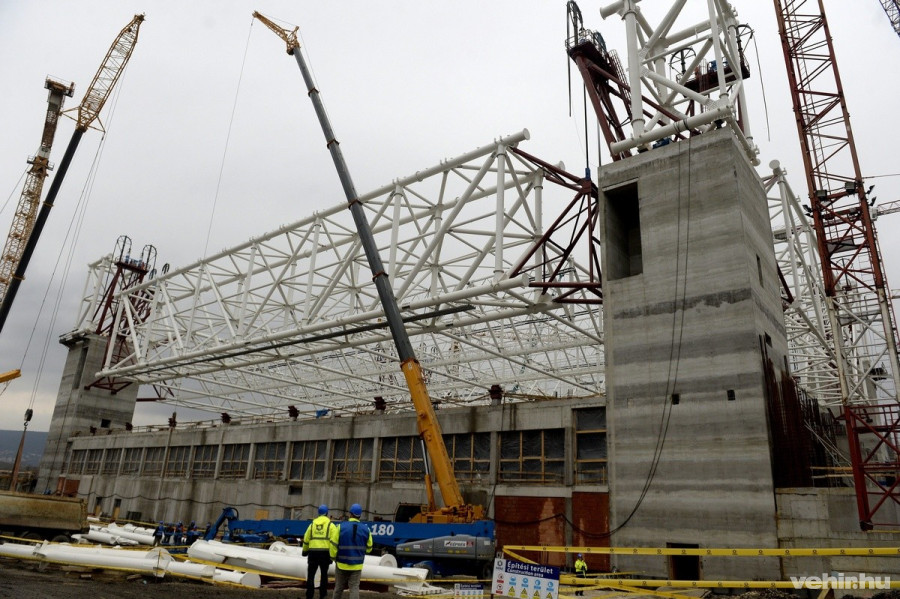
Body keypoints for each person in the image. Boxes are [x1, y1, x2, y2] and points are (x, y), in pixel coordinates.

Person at [329, 503, 372, 599]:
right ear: (360, 515)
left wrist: (333, 557)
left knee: (338, 587)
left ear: (350, 514)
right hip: (357, 565)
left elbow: (333, 545)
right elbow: (369, 548)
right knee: (354, 588)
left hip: (341, 564)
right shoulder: (366, 529)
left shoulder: (340, 527)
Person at [303, 504, 334, 599]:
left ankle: (309, 595)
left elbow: (306, 539)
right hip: (325, 553)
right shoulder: (331, 525)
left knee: (311, 575)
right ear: (327, 513)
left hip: (313, 553)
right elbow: (334, 541)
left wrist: (305, 551)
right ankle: (322, 595)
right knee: (324, 575)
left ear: (318, 513)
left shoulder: (312, 525)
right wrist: (332, 555)